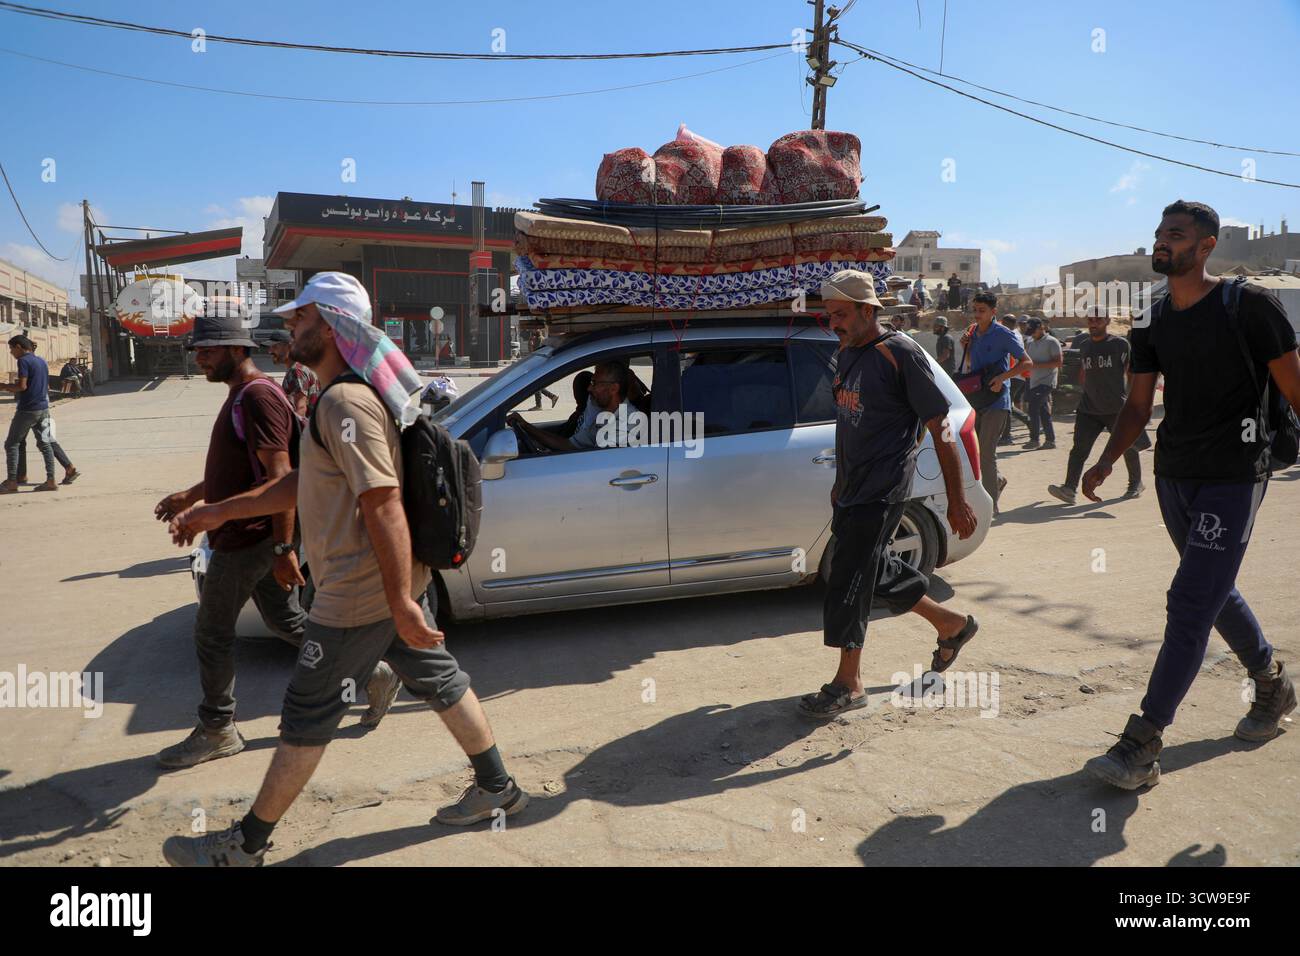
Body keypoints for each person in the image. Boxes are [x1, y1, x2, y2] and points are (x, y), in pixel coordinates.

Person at [161, 272, 527, 865]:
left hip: (359, 593)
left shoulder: (343, 402)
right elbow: (305, 482)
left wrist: (400, 602)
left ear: (331, 326)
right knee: (440, 681)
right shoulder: (346, 398)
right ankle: (498, 789)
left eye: (301, 318)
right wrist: (218, 510)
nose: (289, 326)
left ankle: (244, 847)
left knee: (307, 712)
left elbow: (380, 500)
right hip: (386, 587)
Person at [1081, 200, 1300, 789]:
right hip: (1175, 472)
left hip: (1236, 472)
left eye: (1175, 235)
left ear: (1205, 247)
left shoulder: (1251, 307)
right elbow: (1136, 405)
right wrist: (1105, 461)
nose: (1162, 242)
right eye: (1159, 234)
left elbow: (1295, 388)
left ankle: (1142, 741)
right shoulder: (1152, 319)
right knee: (1212, 588)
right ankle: (1274, 683)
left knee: (1189, 598)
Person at [152, 314, 333, 770]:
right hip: (248, 535)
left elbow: (281, 479)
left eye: (208, 351)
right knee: (287, 623)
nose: (199, 360)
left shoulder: (256, 398)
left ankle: (217, 729)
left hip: (248, 538)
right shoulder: (242, 395)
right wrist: (190, 495)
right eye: (196, 351)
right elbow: (235, 470)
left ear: (238, 350)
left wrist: (283, 548)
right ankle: (373, 674)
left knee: (211, 633)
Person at [798, 270, 980, 718]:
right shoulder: (847, 354)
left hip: (883, 489)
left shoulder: (899, 354)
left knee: (848, 579)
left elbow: (942, 429)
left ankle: (849, 683)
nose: (834, 322)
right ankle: (950, 623)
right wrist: (840, 480)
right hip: (853, 488)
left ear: (868, 310)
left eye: (841, 314)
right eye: (830, 315)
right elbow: (848, 424)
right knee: (872, 568)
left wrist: (957, 501)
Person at [1047, 308, 1146, 504]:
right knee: (1079, 450)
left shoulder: (1119, 344)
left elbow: (1131, 373)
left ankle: (1136, 483)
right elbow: (1084, 374)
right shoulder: (1084, 345)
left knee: (1127, 447)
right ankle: (1069, 489)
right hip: (1088, 409)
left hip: (1116, 408)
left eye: (1098, 319)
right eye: (1090, 320)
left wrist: (1133, 401)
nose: (1093, 323)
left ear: (1107, 321)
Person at [959, 292, 1032, 513]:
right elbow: (972, 363)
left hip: (997, 401)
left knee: (987, 453)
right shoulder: (973, 332)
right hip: (977, 397)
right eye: (975, 310)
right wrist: (966, 347)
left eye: (982, 310)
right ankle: (997, 481)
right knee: (975, 451)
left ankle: (991, 506)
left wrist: (1002, 378)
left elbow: (1027, 362)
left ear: (993, 312)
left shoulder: (1004, 334)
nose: (977, 314)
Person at [508, 361, 642, 452]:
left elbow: (600, 469)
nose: (589, 388)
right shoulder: (603, 418)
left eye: (595, 383)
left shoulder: (625, 425)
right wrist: (525, 426)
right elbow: (569, 445)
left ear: (613, 389)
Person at [1, 335, 58, 493]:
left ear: (19, 346)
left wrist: (4, 386)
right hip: (43, 407)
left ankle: (12, 481)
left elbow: (22, 386)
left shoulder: (23, 361)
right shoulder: (41, 361)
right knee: (45, 444)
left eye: (12, 349)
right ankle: (51, 480)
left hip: (28, 409)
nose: (11, 353)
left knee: (11, 444)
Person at [1022, 318, 1062, 450]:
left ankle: (1034, 439)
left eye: (1034, 331)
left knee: (1033, 409)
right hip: (1034, 381)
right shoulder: (1030, 342)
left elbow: (1058, 362)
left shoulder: (1052, 342)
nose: (1032, 334)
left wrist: (1036, 365)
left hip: (1047, 381)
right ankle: (1050, 441)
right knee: (1043, 411)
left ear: (1041, 328)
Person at [265, 329, 319, 417]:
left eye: (275, 346)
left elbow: (301, 408)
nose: (270, 351)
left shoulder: (297, 371)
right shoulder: (300, 367)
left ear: (289, 347)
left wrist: (294, 430)